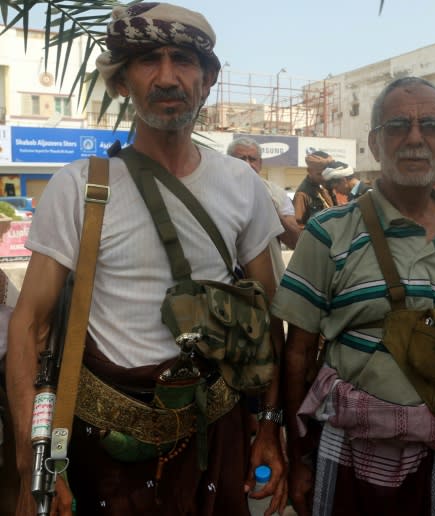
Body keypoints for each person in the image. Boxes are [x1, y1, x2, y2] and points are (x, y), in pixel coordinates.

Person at [5, 4, 287, 515]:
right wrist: (35, 461)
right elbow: (29, 326)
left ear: (207, 79)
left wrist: (269, 427)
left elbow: (267, 317)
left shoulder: (243, 184)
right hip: (104, 453)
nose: (166, 76)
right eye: (146, 61)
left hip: (215, 441)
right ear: (121, 83)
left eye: (182, 59)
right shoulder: (80, 187)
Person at [272, 76, 435, 516]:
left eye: (431, 126)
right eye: (398, 125)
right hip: (346, 453)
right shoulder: (330, 232)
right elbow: (298, 352)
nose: (415, 139)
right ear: (375, 142)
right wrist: (298, 456)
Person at [227, 137, 300, 282]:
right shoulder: (217, 192)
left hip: (267, 284)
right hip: (227, 283)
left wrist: (272, 212)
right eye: (241, 158)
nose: (247, 164)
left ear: (260, 163)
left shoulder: (276, 193)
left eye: (252, 159)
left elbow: (295, 242)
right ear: (228, 162)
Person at [294, 149, 335, 226]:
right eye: (319, 174)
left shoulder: (325, 189)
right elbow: (298, 225)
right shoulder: (302, 195)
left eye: (325, 173)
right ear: (309, 170)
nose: (323, 177)